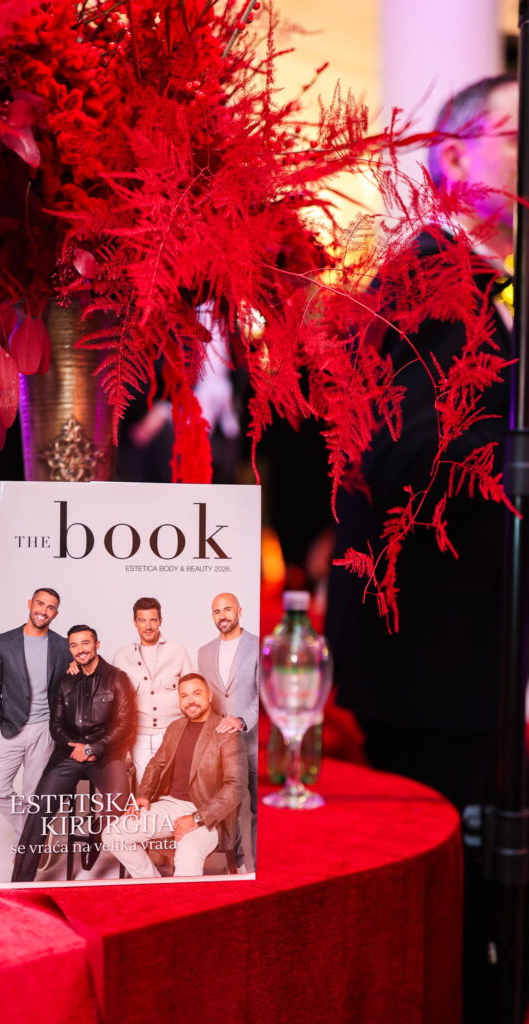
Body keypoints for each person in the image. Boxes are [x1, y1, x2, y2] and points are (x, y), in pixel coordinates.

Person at [326, 75, 517, 1024]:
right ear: (448, 157)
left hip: (466, 637)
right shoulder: (422, 284)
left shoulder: (481, 288)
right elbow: (390, 457)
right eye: (516, 133)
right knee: (443, 903)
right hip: (429, 642)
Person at [12, 624, 135, 882]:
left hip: (106, 754)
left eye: (85, 643)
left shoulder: (117, 678)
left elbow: (125, 725)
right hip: (69, 754)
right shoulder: (65, 680)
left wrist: (93, 748)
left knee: (119, 800)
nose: (80, 650)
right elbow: (55, 725)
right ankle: (19, 881)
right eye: (74, 645)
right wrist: (75, 747)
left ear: (97, 644)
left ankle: (95, 835)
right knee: (39, 809)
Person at [101, 673, 247, 877]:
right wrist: (143, 795)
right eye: (184, 696)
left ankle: (182, 897)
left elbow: (236, 786)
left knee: (188, 855)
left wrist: (197, 818)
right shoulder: (175, 727)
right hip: (170, 805)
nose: (190, 701)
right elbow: (156, 764)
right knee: (113, 834)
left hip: (209, 814)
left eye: (196, 693)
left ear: (209, 695)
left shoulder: (226, 732)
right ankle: (153, 884)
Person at [0, 587, 70, 837]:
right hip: (10, 727)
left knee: (34, 795)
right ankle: (32, 835)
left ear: (56, 613)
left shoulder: (62, 646)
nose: (44, 611)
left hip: (45, 729)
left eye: (50, 607)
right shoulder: (1, 643)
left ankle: (26, 849)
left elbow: (72, 684)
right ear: (30, 603)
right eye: (40, 604)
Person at [197, 592, 259, 867]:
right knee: (228, 810)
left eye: (227, 609)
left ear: (239, 611)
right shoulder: (204, 652)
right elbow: (206, 699)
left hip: (251, 741)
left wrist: (242, 720)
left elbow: (264, 695)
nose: (222, 616)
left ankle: (257, 867)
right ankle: (237, 865)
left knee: (256, 809)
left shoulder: (257, 646)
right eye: (217, 611)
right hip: (221, 746)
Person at [112, 597, 192, 783]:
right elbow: (112, 700)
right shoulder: (121, 656)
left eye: (153, 620)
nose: (148, 626)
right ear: (135, 622)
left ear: (160, 621)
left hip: (173, 733)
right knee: (145, 787)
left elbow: (192, 692)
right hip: (138, 736)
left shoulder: (178, 651)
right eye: (142, 620)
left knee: (175, 786)